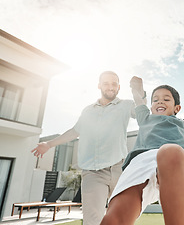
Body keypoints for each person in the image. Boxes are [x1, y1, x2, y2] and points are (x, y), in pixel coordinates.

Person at [100, 76, 184, 225]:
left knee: (170, 151)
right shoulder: (145, 118)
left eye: (166, 99)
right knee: (113, 219)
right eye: (155, 100)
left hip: (174, 161)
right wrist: (136, 88)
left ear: (177, 108)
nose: (160, 101)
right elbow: (139, 100)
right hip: (141, 161)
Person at [31, 71, 137, 225]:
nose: (110, 87)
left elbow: (142, 112)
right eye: (106, 83)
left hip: (118, 169)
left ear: (119, 87)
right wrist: (49, 144)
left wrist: (138, 91)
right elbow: (75, 131)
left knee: (122, 218)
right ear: (99, 85)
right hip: (93, 172)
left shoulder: (126, 105)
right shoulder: (88, 110)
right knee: (92, 220)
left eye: (114, 84)